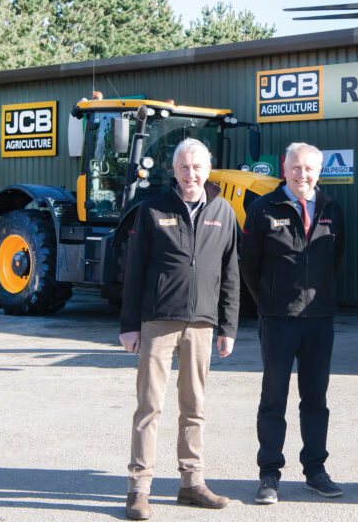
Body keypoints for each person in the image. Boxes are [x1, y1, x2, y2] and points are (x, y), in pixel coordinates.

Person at [119, 138, 240, 520]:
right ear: (174, 171)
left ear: (208, 170)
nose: (191, 175)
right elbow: (134, 270)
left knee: (194, 408)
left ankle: (191, 483)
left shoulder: (223, 211)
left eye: (198, 167)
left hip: (203, 325)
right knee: (149, 407)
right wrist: (129, 325)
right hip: (158, 321)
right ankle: (139, 489)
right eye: (184, 168)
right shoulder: (152, 210)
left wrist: (228, 325)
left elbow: (231, 274)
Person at [240, 142, 345, 505]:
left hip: (319, 320)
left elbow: (336, 260)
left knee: (315, 399)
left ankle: (315, 470)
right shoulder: (262, 208)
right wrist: (269, 301)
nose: (303, 175)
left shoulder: (332, 209)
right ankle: (269, 471)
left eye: (310, 169)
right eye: (296, 168)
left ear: (319, 172)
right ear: (285, 169)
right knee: (274, 398)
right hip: (278, 319)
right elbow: (249, 264)